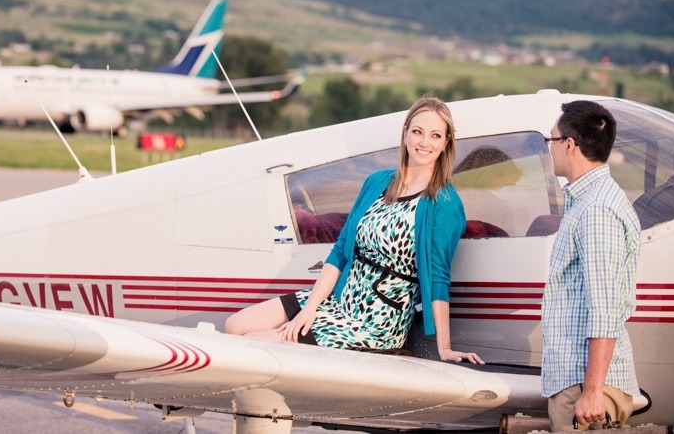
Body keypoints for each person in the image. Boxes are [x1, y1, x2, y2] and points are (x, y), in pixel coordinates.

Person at [225, 95, 483, 364]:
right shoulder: (377, 182)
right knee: (235, 326)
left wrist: (445, 349)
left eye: (435, 135)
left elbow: (438, 278)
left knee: (254, 343)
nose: (424, 142)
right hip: (338, 300)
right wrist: (309, 309)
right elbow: (340, 252)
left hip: (376, 322)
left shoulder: (444, 204)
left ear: (445, 143)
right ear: (405, 133)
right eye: (417, 132)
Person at [541, 100, 640, 431]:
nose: (549, 149)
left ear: (569, 145)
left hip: (585, 386)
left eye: (551, 140)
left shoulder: (596, 210)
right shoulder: (588, 200)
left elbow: (604, 308)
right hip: (581, 382)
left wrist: (593, 391)